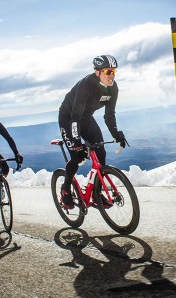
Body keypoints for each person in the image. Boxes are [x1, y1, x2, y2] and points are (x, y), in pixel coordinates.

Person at [58, 55, 128, 209]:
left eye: (114, 71)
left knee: (101, 153)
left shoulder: (113, 88)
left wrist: (116, 134)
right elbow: (75, 117)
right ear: (97, 72)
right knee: (77, 156)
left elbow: (109, 115)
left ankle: (96, 193)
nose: (112, 75)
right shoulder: (86, 85)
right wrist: (77, 143)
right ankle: (66, 188)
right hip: (68, 118)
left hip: (86, 118)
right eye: (108, 71)